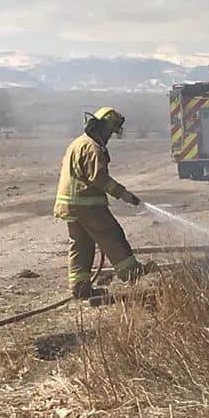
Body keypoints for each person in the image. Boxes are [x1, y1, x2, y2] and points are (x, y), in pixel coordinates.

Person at [54, 107, 154, 299]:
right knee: (112, 234)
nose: (109, 136)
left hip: (71, 205)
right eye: (109, 131)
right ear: (100, 127)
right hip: (87, 205)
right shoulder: (93, 148)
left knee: (82, 245)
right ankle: (131, 273)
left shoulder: (79, 143)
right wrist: (124, 194)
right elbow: (99, 178)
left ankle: (80, 287)